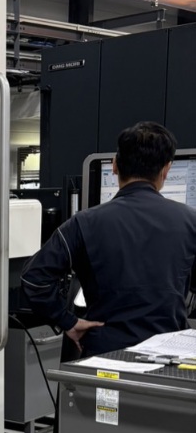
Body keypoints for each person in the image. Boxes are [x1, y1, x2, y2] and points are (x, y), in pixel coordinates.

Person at [22, 121, 196, 358]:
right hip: (168, 358)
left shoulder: (83, 223)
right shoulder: (191, 221)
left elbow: (34, 279)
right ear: (166, 170)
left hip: (104, 355)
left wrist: (68, 321)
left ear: (114, 165)